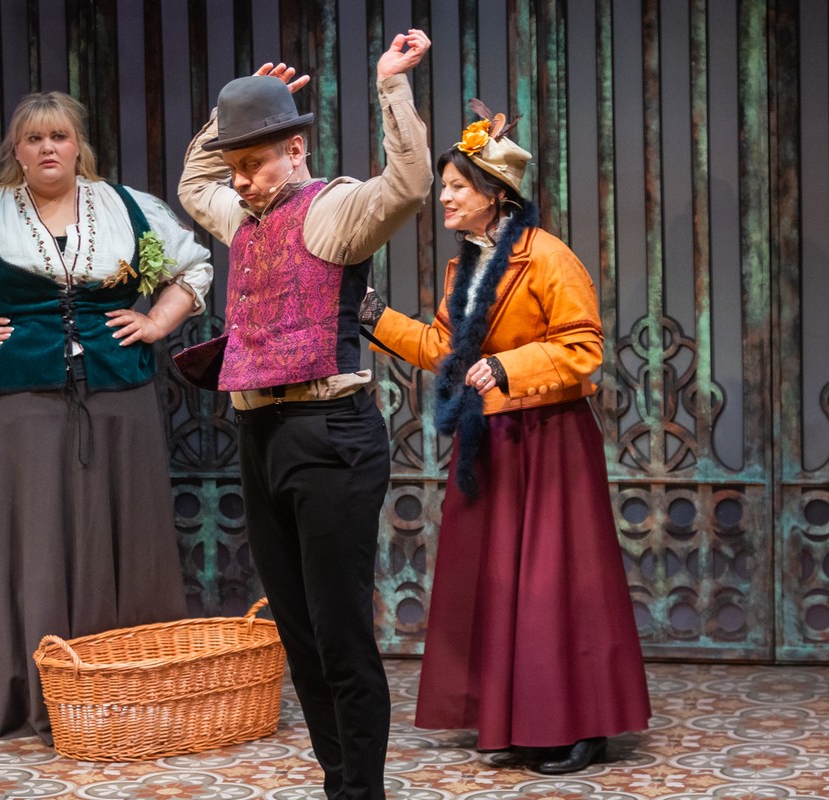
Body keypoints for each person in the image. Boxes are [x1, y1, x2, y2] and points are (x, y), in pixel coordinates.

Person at [0, 91, 213, 743]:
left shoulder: (128, 207)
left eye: (58, 136)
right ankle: (20, 691)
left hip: (115, 403)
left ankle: (118, 690)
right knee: (22, 540)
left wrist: (156, 321)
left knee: (114, 535)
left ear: (77, 143)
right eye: (34, 138)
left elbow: (193, 264)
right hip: (9, 409)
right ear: (17, 148)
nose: (47, 148)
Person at [360, 102, 652, 774]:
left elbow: (583, 348)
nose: (445, 198)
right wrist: (377, 319)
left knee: (554, 580)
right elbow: (445, 349)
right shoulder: (467, 268)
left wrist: (508, 367)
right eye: (444, 187)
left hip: (547, 438)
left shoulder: (547, 257)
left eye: (457, 187)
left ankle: (580, 723)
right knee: (498, 581)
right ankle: (516, 715)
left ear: (494, 193)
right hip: (492, 438)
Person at [178, 31, 433, 800]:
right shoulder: (241, 216)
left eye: (255, 162)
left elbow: (409, 184)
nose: (241, 181)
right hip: (259, 434)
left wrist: (391, 85)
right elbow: (195, 184)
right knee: (298, 634)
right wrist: (230, 118)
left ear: (296, 150)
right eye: (235, 166)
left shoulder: (335, 209)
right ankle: (338, 785)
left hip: (330, 436)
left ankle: (363, 791)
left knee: (339, 634)